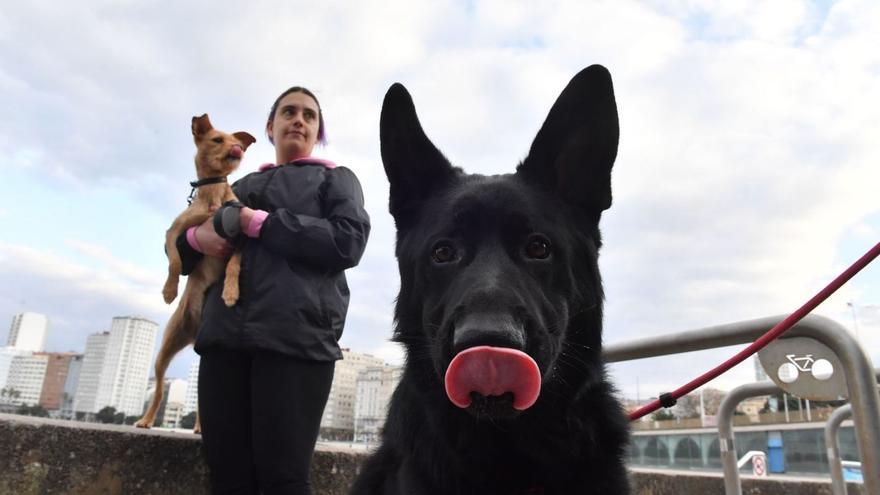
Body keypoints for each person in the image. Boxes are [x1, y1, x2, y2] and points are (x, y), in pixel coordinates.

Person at [175, 86, 370, 494]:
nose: (299, 119)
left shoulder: (337, 179)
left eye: (309, 115)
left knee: (283, 481)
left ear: (318, 132)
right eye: (288, 112)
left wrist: (259, 224)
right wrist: (197, 242)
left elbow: (348, 240)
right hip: (223, 342)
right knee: (227, 480)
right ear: (270, 127)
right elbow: (184, 250)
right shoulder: (236, 185)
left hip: (297, 343)